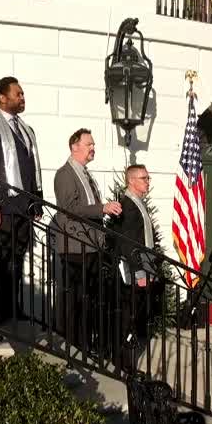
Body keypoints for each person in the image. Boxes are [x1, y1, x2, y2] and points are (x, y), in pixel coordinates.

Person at [0, 76, 43, 324]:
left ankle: (15, 307)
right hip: (2, 206)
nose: (22, 98)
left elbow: (32, 167)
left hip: (23, 207)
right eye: (18, 94)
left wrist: (37, 201)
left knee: (16, 260)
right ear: (3, 97)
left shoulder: (27, 130)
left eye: (23, 94)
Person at [53, 129, 122, 351]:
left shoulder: (85, 173)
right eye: (89, 144)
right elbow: (69, 208)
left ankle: (85, 343)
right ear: (75, 147)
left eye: (93, 145)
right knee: (75, 299)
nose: (93, 148)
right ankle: (74, 346)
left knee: (88, 299)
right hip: (75, 245)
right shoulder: (65, 173)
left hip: (92, 247)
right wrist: (102, 208)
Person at [113, 164, 158, 370]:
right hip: (134, 268)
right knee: (129, 313)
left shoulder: (138, 202)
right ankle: (124, 359)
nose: (147, 182)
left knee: (135, 312)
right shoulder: (129, 206)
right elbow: (129, 243)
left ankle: (126, 355)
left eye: (148, 178)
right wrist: (140, 271)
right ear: (131, 181)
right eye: (143, 178)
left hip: (143, 264)